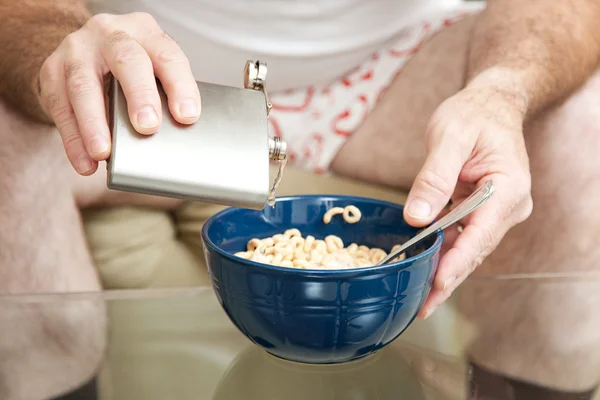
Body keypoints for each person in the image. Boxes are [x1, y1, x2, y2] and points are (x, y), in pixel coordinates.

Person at [1, 0, 599, 399]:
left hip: (395, 73)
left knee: (578, 121)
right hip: (150, 84)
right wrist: (61, 50)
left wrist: (502, 89)